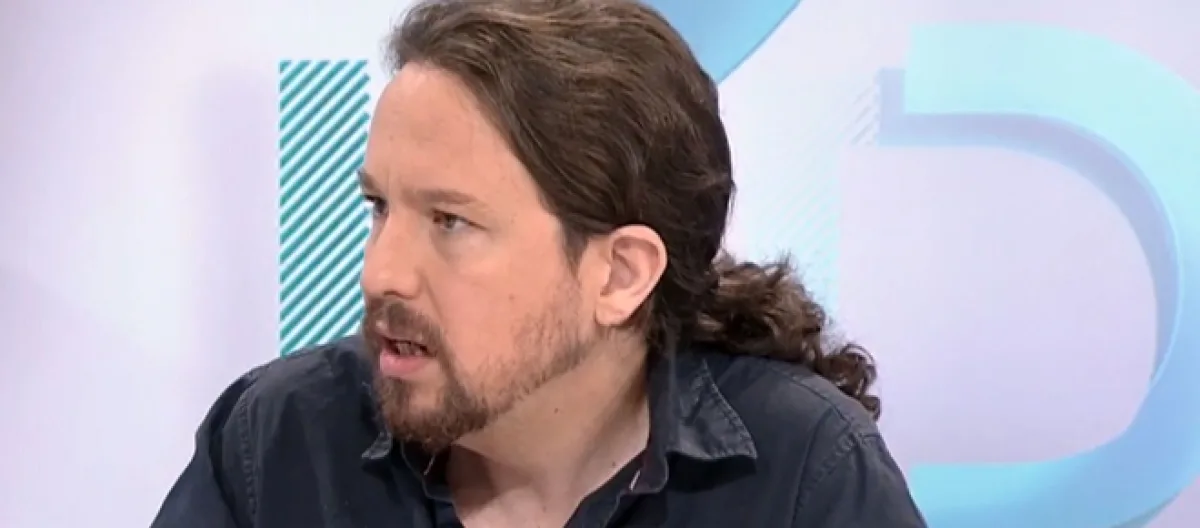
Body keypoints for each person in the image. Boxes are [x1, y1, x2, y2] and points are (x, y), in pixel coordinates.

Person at [152, 0, 926, 526]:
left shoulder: (804, 478)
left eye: (451, 221)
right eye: (380, 207)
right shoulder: (279, 443)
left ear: (620, 275)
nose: (381, 273)